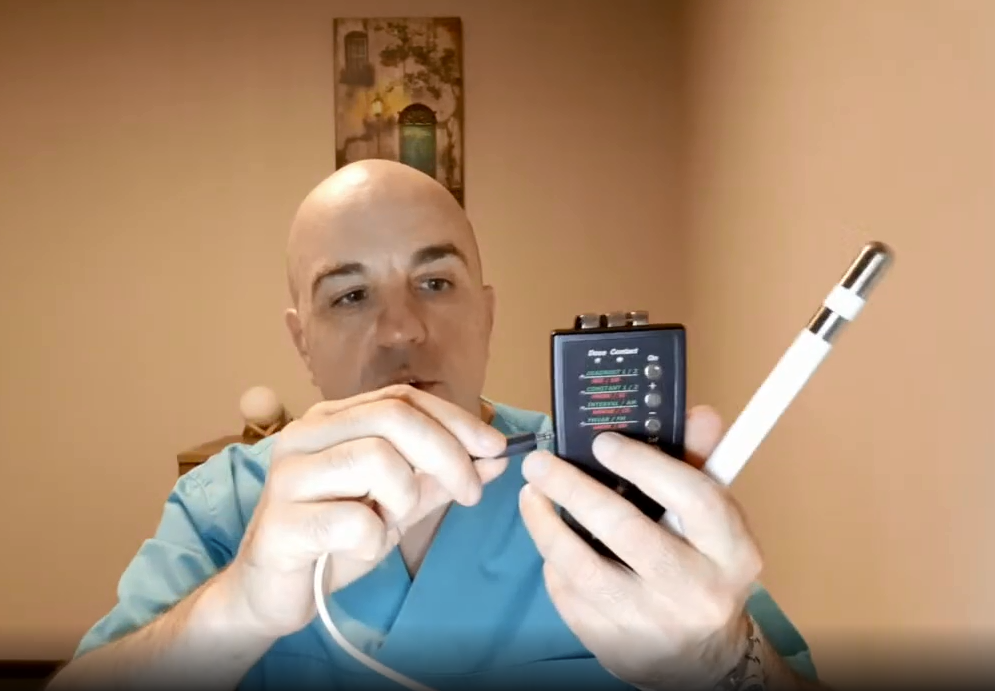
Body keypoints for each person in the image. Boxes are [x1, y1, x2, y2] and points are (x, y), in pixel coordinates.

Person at [49, 160, 821, 691]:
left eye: (434, 281)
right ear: (301, 341)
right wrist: (238, 606)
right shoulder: (222, 504)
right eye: (349, 295)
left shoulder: (608, 485)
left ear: (486, 315)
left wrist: (719, 660)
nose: (400, 329)